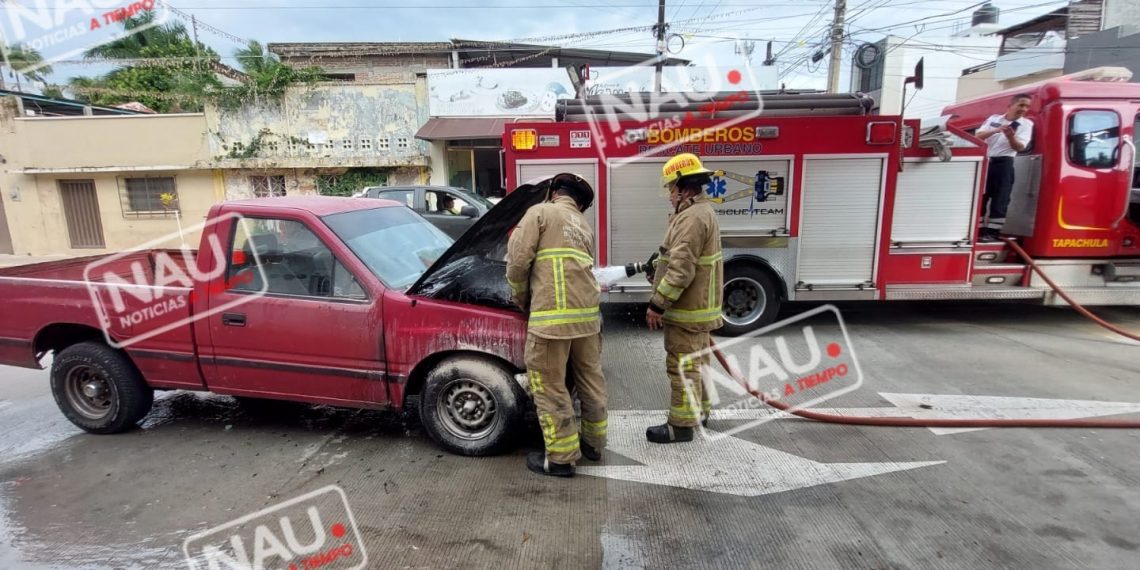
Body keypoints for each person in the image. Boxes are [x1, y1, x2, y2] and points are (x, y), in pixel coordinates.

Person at [506, 173, 608, 478]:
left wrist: (521, 297)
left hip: (551, 320)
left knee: (549, 386)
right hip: (587, 319)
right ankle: (593, 443)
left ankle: (561, 458)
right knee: (590, 381)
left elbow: (517, 262)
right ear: (580, 204)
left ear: (553, 193)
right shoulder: (582, 226)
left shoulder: (540, 212)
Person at [644, 153, 724, 444]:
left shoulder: (691, 218)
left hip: (687, 310)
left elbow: (682, 269)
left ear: (682, 186)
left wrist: (657, 303)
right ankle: (700, 413)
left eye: (670, 187)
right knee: (699, 365)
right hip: (699, 309)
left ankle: (680, 426)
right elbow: (678, 259)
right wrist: (657, 267)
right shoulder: (700, 212)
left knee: (682, 366)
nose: (669, 194)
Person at [976, 93, 1034, 242]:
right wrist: (996, 130)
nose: (1024, 109)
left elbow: (1020, 147)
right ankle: (978, 230)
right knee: (981, 196)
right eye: (1021, 104)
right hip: (986, 161)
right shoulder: (994, 119)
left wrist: (1010, 137)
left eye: (1027, 106)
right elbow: (978, 136)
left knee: (1000, 198)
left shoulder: (1026, 125)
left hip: (1005, 162)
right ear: (1010, 105)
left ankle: (993, 233)